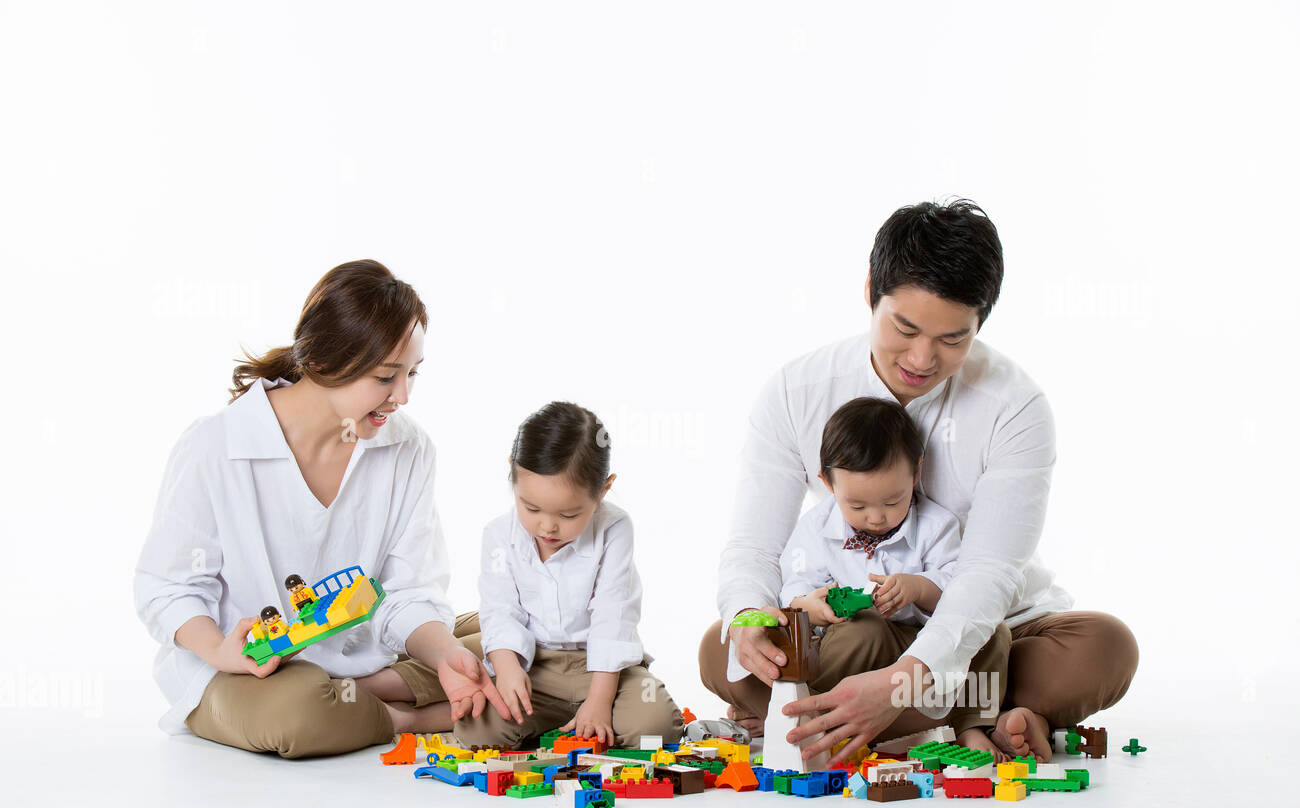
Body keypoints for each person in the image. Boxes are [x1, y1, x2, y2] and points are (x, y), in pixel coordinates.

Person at [699, 199, 1139, 764]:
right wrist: (750, 622)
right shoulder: (796, 390)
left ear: (981, 322)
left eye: (954, 339)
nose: (922, 357)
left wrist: (902, 682)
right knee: (720, 648)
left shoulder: (1015, 405)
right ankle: (967, 722)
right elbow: (756, 547)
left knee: (1104, 647)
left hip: (982, 632)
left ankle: (851, 718)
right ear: (869, 292)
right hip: (853, 632)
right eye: (904, 328)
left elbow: (987, 573)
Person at [133, 259, 509, 758]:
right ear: (326, 363)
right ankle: (408, 713)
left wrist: (444, 656)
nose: (403, 396)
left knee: (528, 642)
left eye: (413, 374)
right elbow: (168, 588)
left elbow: (409, 590)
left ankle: (364, 693)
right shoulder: (215, 446)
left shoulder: (408, 449)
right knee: (297, 714)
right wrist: (219, 651)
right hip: (243, 674)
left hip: (359, 655)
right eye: (385, 377)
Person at [774, 396, 1012, 760]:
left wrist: (918, 587)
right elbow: (795, 581)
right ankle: (817, 710)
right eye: (857, 506)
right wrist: (809, 604)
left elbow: (960, 586)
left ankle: (973, 725)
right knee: (861, 631)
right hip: (860, 642)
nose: (876, 518)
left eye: (892, 501)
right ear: (828, 484)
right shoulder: (816, 527)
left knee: (993, 634)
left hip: (923, 650)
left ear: (916, 474)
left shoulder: (937, 525)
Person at [454, 401, 683, 750]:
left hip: (607, 671)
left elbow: (613, 616)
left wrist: (599, 702)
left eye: (569, 514)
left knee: (656, 730)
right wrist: (508, 668)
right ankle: (561, 722)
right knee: (477, 732)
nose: (547, 526)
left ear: (603, 491)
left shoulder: (615, 527)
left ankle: (581, 718)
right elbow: (500, 610)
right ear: (512, 476)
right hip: (536, 665)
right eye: (531, 508)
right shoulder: (498, 534)